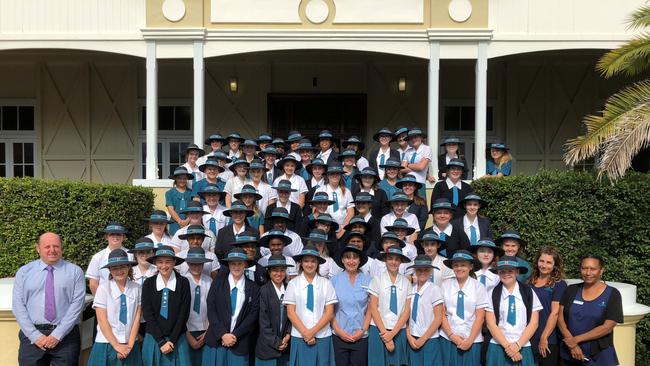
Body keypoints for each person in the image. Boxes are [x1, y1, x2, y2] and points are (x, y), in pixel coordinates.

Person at [12, 232, 86, 366]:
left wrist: (57, 334)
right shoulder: (24, 272)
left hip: (66, 336)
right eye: (47, 247)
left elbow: (77, 305)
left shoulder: (75, 272)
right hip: (32, 336)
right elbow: (18, 306)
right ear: (38, 248)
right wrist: (35, 336)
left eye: (56, 246)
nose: (52, 250)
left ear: (62, 248)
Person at [558, 255, 623, 366]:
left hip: (599, 355)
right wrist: (572, 344)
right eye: (584, 268)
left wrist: (576, 340)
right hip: (570, 352)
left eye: (593, 269)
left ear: (601, 270)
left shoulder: (612, 294)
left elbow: (607, 327)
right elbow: (560, 319)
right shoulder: (571, 290)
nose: (588, 273)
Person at [202, 247, 261, 366]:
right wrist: (223, 334)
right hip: (217, 340)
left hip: (239, 342)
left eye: (239, 263)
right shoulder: (218, 283)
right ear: (228, 265)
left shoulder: (253, 288)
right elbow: (211, 309)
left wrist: (234, 335)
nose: (236, 267)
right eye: (233, 263)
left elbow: (253, 315)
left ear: (245, 264)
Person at [284, 245, 338, 365]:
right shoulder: (293, 284)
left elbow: (329, 312)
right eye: (306, 261)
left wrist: (312, 332)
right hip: (300, 336)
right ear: (301, 263)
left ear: (318, 263)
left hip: (322, 336)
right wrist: (305, 333)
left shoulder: (326, 284)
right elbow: (290, 312)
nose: (310, 264)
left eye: (313, 261)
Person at [87, 249, 142, 366]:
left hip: (130, 344)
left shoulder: (137, 288)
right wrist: (117, 346)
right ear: (110, 270)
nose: (119, 271)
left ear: (128, 267)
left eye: (122, 267)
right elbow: (102, 320)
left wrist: (130, 345)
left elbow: (137, 318)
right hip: (106, 343)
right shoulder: (103, 289)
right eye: (115, 268)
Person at [485, 256, 542, 366]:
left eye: (510, 271)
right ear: (498, 273)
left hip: (523, 346)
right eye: (502, 271)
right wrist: (507, 346)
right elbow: (491, 324)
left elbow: (534, 323)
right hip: (498, 346)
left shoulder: (528, 292)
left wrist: (517, 345)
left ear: (517, 272)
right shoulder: (492, 293)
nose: (506, 274)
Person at [141, 246, 192, 365]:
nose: (164, 266)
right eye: (160, 262)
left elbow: (183, 314)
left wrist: (172, 340)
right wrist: (161, 341)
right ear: (155, 263)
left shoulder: (183, 283)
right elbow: (148, 313)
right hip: (154, 338)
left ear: (174, 262)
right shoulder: (148, 283)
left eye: (168, 262)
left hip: (177, 338)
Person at [440, 250, 489, 366]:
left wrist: (469, 340)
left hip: (472, 341)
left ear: (471, 266)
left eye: (463, 265)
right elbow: (441, 314)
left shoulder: (479, 287)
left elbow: (480, 317)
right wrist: (452, 336)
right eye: (456, 265)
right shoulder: (445, 285)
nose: (459, 268)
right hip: (448, 338)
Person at [367, 245, 412, 366]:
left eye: (397, 259)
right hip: (378, 330)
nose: (393, 262)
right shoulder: (377, 280)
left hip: (398, 330)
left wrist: (392, 334)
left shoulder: (407, 282)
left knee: (398, 363)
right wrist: (385, 335)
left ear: (401, 262)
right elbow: (373, 308)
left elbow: (407, 310)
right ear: (385, 260)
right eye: (390, 258)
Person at [330, 245, 372, 366]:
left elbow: (371, 309)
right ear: (342, 260)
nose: (351, 261)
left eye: (355, 257)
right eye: (348, 257)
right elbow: (329, 310)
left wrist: (362, 330)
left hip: (360, 335)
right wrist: (339, 331)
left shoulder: (368, 280)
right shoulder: (334, 280)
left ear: (360, 260)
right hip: (339, 335)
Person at [529, 246, 567, 366]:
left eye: (549, 262)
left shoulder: (559, 285)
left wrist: (544, 337)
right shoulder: (529, 281)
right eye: (542, 261)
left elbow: (555, 312)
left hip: (548, 339)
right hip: (529, 336)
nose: (544, 265)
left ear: (555, 265)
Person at [405, 255, 444, 366]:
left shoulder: (434, 290)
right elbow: (406, 315)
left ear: (431, 271)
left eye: (426, 269)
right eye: (419, 269)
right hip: (412, 338)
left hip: (429, 340)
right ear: (415, 271)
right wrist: (409, 335)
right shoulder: (410, 289)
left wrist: (423, 339)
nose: (422, 272)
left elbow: (438, 318)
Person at [255, 255, 293, 366]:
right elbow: (263, 321)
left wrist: (288, 334)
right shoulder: (263, 291)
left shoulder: (290, 288)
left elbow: (294, 315)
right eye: (275, 270)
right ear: (269, 271)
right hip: (267, 347)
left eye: (282, 270)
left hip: (286, 346)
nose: (279, 273)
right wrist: (277, 342)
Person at [87, 222, 133, 295]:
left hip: (129, 296)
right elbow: (93, 283)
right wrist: (100, 302)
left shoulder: (131, 255)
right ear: (106, 237)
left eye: (118, 234)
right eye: (112, 234)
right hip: (105, 299)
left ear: (124, 237)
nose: (115, 236)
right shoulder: (98, 257)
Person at [316, 162, 355, 238]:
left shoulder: (347, 191)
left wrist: (343, 230)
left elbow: (351, 212)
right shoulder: (320, 190)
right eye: (332, 173)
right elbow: (315, 210)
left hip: (343, 228)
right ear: (327, 175)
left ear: (341, 175)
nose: (335, 176)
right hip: (325, 228)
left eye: (337, 173)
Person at [401, 128, 432, 198]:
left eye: (416, 137)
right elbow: (402, 169)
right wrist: (415, 167)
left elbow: (421, 167)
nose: (413, 139)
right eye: (411, 138)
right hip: (407, 183)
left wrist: (408, 165)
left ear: (421, 137)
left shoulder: (427, 149)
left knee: (420, 205)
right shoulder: (408, 151)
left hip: (419, 183)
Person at [166, 166, 195, 235]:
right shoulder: (169, 193)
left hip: (190, 223)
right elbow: (171, 209)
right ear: (175, 179)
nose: (182, 180)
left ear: (187, 179)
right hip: (175, 224)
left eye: (184, 178)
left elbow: (193, 208)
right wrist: (180, 221)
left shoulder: (192, 192)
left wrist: (187, 221)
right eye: (179, 178)